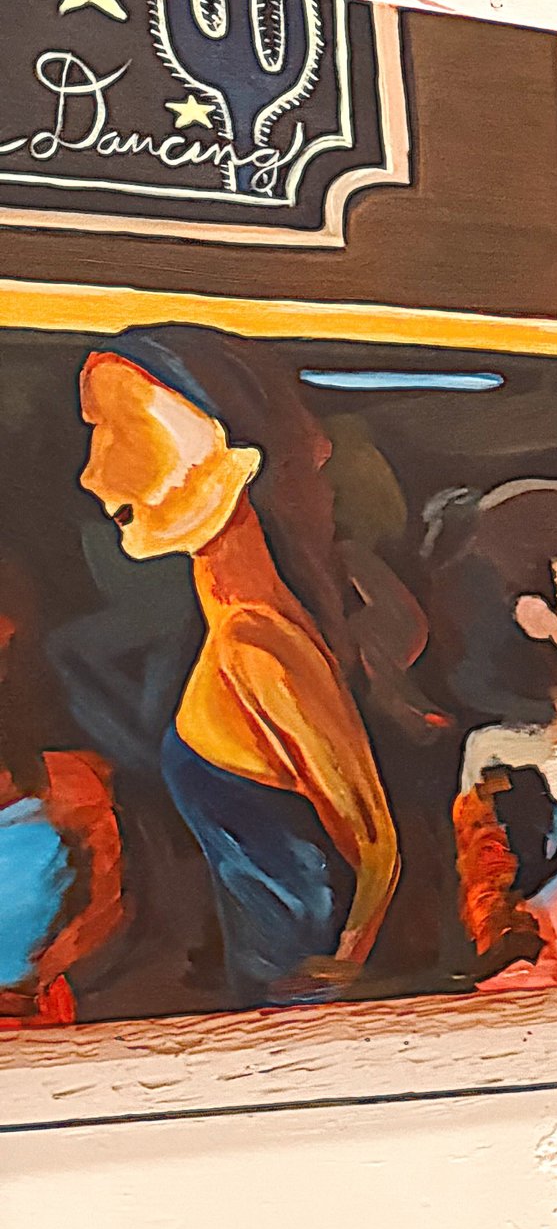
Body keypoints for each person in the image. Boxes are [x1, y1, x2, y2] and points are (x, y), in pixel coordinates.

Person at [75, 333, 399, 999]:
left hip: (290, 1004)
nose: (94, 474)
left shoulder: (254, 645)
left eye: (124, 428)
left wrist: (340, 973)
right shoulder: (233, 632)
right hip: (266, 995)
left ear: (230, 451)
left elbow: (375, 844)